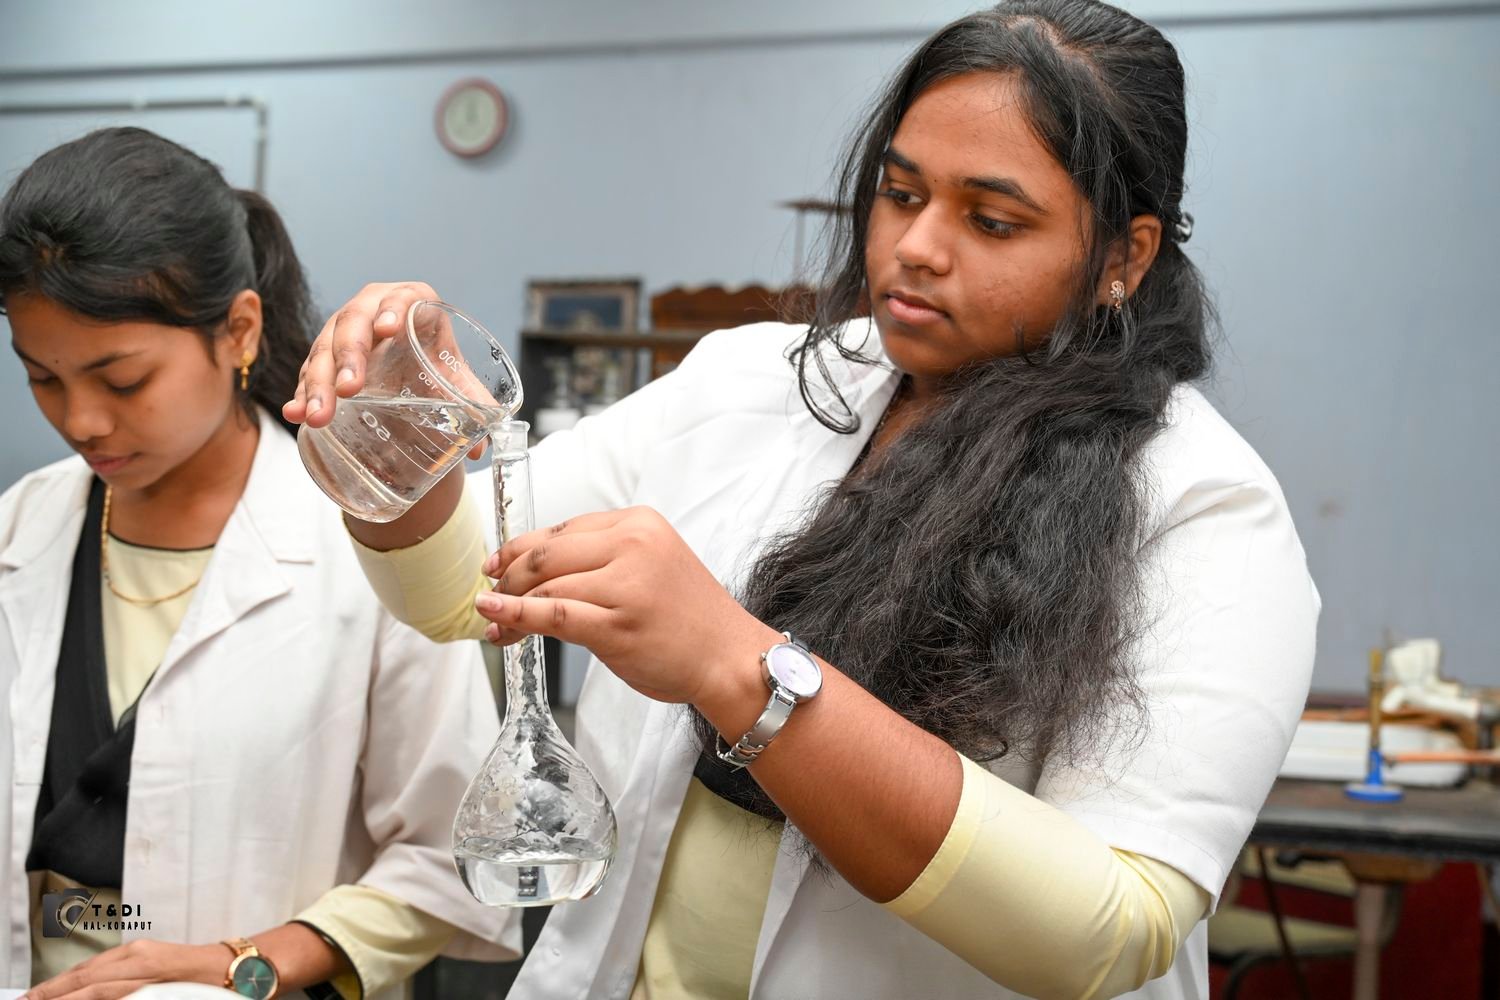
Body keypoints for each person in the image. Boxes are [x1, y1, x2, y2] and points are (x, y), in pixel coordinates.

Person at [289, 2, 1319, 997]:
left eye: (993, 220)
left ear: (1124, 258)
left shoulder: (1202, 509)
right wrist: (385, 440)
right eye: (900, 193)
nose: (917, 246)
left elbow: (1114, 927)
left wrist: (737, 663)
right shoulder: (750, 383)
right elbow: (467, 585)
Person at [0, 127, 518, 1000]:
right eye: (42, 380)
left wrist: (247, 963)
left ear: (238, 331)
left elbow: (450, 854)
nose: (81, 420)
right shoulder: (21, 527)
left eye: (120, 380)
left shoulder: (365, 545)